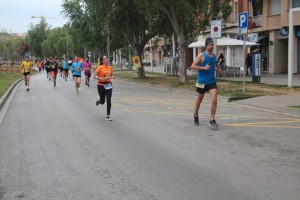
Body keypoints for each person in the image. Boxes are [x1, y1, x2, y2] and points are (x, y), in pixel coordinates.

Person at [191, 37, 221, 128]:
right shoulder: (201, 55)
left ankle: (212, 120)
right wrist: (203, 68)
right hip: (202, 82)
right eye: (210, 45)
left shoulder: (214, 56)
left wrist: (217, 69)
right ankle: (195, 114)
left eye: (212, 45)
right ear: (206, 46)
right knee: (199, 100)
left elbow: (212, 66)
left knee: (214, 99)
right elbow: (193, 66)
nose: (212, 46)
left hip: (212, 81)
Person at [93, 55, 115, 121]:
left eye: (107, 58)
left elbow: (110, 76)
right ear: (102, 61)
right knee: (102, 102)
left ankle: (108, 115)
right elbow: (94, 76)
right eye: (105, 59)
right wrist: (102, 78)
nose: (107, 59)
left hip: (108, 85)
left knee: (109, 99)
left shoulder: (110, 67)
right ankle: (99, 100)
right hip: (101, 85)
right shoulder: (100, 67)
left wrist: (113, 77)